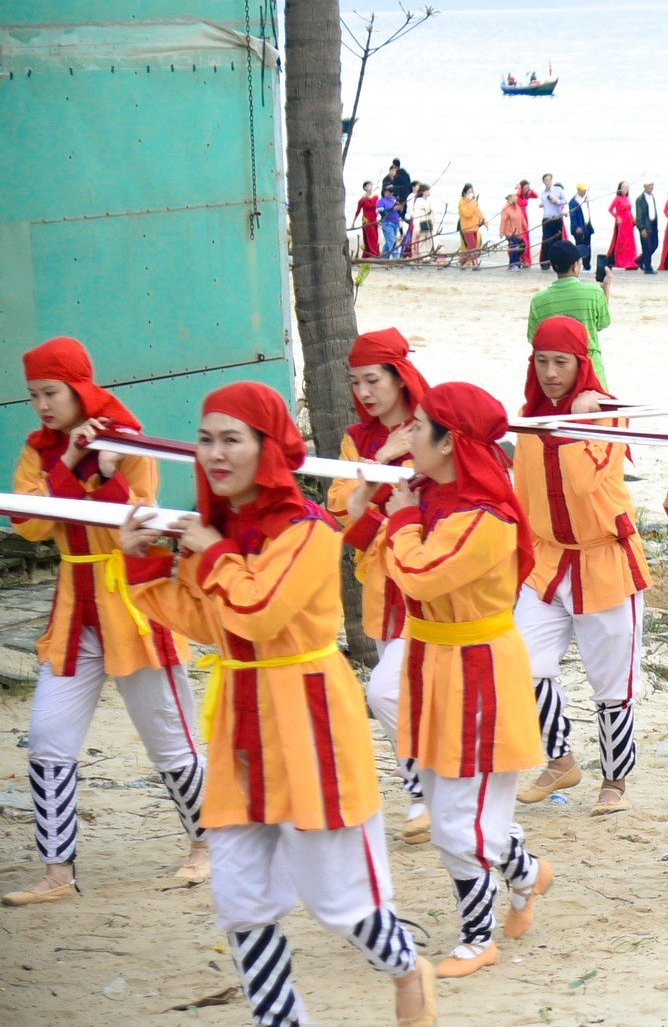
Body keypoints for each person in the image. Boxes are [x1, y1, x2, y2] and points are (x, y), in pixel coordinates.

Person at [118, 383, 436, 1027]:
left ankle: (407, 965)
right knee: (239, 900)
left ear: (266, 448)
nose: (214, 452)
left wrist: (209, 553)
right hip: (239, 719)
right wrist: (146, 569)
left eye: (231, 438)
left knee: (339, 903)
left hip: (308, 719)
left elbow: (260, 613)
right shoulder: (220, 533)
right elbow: (210, 623)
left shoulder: (309, 531)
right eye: (205, 438)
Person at [7, 338, 207, 907]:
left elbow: (135, 519)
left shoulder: (131, 440)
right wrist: (72, 463)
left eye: (51, 392)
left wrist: (105, 470)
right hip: (74, 610)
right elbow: (30, 525)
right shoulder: (37, 448)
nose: (42, 405)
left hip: (135, 605)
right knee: (47, 739)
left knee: (170, 741)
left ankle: (208, 845)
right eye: (34, 395)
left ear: (78, 388)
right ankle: (56, 873)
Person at [366, 381, 553, 979]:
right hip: (434, 662)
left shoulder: (486, 517)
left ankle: (479, 937)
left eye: (420, 427)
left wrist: (398, 521)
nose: (409, 434)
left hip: (480, 669)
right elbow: (355, 529)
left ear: (450, 443)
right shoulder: (430, 497)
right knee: (452, 804)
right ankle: (525, 873)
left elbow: (420, 573)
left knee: (456, 820)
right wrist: (383, 489)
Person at [511, 318, 649, 814]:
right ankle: (561, 757)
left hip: (604, 561)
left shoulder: (609, 417)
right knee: (522, 663)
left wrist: (578, 423)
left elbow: (588, 484)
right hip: (546, 562)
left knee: (612, 685)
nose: (550, 373)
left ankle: (615, 781)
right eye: (542, 361)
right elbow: (522, 498)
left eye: (561, 362)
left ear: (581, 364)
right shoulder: (527, 420)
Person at [325, 329, 434, 844]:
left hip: (435, 581)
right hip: (383, 584)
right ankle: (428, 795)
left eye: (374, 379)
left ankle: (429, 793)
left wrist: (377, 506)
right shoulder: (357, 439)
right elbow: (343, 511)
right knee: (406, 692)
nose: (364, 392)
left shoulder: (437, 424)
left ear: (400, 376)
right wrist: (385, 458)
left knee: (387, 690)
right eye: (356, 382)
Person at [526, 239, 613, 389]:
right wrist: (605, 290)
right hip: (591, 367)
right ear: (575, 266)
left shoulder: (538, 300)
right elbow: (602, 323)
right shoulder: (594, 293)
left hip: (556, 374)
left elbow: (533, 338)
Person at [601, 182, 637, 281]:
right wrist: (617, 217)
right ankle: (621, 261)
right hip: (622, 223)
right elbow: (610, 209)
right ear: (620, 188)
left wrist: (634, 219)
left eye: (627, 187)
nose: (625, 189)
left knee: (630, 243)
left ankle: (631, 261)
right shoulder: (617, 198)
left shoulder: (627, 198)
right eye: (623, 187)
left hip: (629, 223)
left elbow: (630, 210)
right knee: (622, 243)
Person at [538, 173, 567, 266]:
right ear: (543, 182)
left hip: (557, 218)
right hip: (546, 219)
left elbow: (565, 201)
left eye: (549, 179)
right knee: (546, 240)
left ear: (552, 180)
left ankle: (556, 261)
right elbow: (544, 203)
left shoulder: (558, 190)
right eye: (546, 180)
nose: (548, 182)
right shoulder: (543, 193)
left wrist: (557, 201)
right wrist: (542, 204)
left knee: (557, 241)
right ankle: (545, 262)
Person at [634, 180, 661, 273]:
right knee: (646, 246)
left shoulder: (652, 196)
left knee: (655, 244)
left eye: (652, 186)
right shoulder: (640, 199)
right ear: (644, 187)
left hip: (653, 224)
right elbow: (639, 215)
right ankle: (648, 267)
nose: (651, 187)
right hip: (645, 226)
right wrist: (641, 228)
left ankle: (640, 260)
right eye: (649, 186)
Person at [456, 184, 485, 268]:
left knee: (471, 246)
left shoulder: (473, 201)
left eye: (472, 192)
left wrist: (483, 219)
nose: (471, 194)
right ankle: (474, 263)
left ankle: (461, 262)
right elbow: (467, 214)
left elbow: (478, 211)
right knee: (472, 246)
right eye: (469, 192)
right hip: (467, 227)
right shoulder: (462, 201)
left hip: (474, 227)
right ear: (464, 192)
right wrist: (472, 206)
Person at [568, 183, 593, 271]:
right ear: (578, 190)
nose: (583, 192)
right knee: (580, 246)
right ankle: (578, 264)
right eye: (582, 191)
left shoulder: (586, 199)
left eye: (584, 191)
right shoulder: (573, 202)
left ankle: (587, 265)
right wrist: (576, 227)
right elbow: (573, 216)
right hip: (579, 228)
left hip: (587, 226)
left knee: (588, 246)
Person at [499, 191, 526, 270]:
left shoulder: (517, 206)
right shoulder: (505, 208)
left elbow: (521, 217)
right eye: (514, 196)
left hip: (518, 232)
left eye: (516, 196)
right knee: (515, 247)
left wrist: (525, 226)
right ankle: (515, 265)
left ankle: (512, 264)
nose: (516, 198)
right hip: (510, 232)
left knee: (523, 246)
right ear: (509, 198)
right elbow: (503, 220)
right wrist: (501, 232)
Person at [355, 182, 382, 258]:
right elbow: (358, 211)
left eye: (371, 185)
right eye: (369, 185)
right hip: (366, 220)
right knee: (369, 237)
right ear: (365, 188)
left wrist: (380, 219)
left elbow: (379, 208)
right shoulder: (362, 199)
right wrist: (353, 222)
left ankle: (374, 252)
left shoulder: (376, 197)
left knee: (375, 236)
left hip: (374, 219)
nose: (371, 187)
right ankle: (372, 253)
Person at [514, 179, 538, 267]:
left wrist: (529, 190)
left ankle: (526, 260)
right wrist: (519, 187)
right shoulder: (517, 196)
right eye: (525, 187)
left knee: (526, 240)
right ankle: (520, 259)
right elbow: (519, 193)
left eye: (528, 187)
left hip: (525, 218)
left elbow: (536, 196)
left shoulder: (526, 195)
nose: (526, 189)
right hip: (518, 219)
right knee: (521, 239)